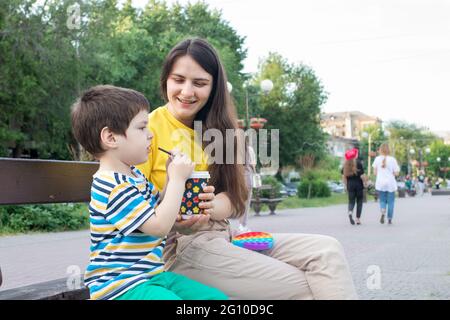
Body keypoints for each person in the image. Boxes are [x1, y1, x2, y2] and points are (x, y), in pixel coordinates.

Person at [137, 38, 357, 299]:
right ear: (166, 80)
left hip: (224, 236)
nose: (187, 91)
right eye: (178, 79)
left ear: (214, 87)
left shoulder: (224, 132)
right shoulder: (146, 130)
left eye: (199, 83)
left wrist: (207, 208)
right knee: (305, 287)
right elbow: (134, 204)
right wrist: (177, 208)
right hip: (179, 246)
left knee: (327, 252)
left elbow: (233, 199)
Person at [70, 85, 227, 300]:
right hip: (120, 287)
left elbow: (158, 207)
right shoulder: (112, 185)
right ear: (111, 137)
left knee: (214, 298)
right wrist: (178, 180)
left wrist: (172, 178)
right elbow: (159, 227)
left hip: (151, 276)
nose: (151, 135)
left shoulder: (133, 176)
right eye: (142, 128)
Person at [372, 143, 400, 225]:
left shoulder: (377, 159)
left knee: (382, 200)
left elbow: (374, 173)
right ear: (388, 150)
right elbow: (397, 173)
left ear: (380, 150)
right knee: (391, 202)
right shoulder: (392, 159)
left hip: (380, 183)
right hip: (390, 183)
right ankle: (390, 218)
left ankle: (383, 210)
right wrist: (392, 173)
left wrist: (381, 174)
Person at [237, 137, 257, 233]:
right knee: (246, 203)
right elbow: (253, 165)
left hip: (237, 180)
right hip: (247, 179)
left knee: (238, 202)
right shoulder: (249, 150)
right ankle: (242, 225)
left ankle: (239, 225)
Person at [342, 148, 365, 225]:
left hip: (350, 185)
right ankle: (358, 219)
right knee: (359, 202)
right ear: (355, 155)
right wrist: (365, 182)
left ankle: (350, 212)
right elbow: (362, 176)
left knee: (351, 201)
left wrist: (346, 186)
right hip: (359, 185)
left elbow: (344, 177)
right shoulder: (359, 163)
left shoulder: (345, 165)